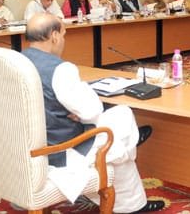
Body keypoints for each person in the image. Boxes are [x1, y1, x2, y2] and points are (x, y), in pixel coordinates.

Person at [21, 14, 164, 213]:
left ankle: (132, 191)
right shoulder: (60, 70)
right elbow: (92, 111)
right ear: (54, 36)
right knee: (122, 117)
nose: (63, 41)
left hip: (25, 146)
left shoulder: (16, 61)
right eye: (63, 35)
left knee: (115, 138)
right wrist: (80, 111)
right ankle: (132, 197)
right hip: (60, 151)